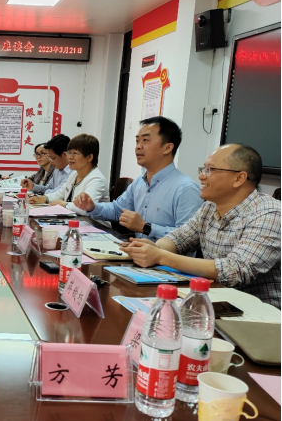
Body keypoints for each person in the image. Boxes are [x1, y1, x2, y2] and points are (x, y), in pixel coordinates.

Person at [124, 144, 281, 308]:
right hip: (215, 302)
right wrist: (153, 248)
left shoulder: (269, 213)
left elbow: (234, 270)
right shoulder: (210, 207)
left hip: (259, 313)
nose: (201, 176)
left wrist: (160, 256)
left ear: (239, 178)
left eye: (210, 170)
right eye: (203, 169)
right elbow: (179, 238)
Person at [74, 117, 202, 240]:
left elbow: (189, 238)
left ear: (167, 148)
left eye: (145, 140)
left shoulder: (186, 189)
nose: (138, 146)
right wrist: (92, 207)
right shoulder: (140, 182)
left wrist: (145, 227)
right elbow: (118, 210)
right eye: (137, 141)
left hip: (163, 256)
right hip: (138, 252)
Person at [30, 134, 109, 215]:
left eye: (75, 153)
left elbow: (85, 208)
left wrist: (64, 204)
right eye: (69, 153)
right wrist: (44, 198)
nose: (69, 157)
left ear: (89, 157)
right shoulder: (74, 174)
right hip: (74, 219)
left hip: (92, 222)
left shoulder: (96, 179)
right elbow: (60, 193)